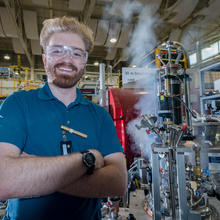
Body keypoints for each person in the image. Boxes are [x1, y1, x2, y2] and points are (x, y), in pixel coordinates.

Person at [0, 16, 127, 220]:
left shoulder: (100, 116)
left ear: (84, 62)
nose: (67, 59)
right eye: (57, 50)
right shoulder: (18, 104)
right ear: (44, 58)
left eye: (77, 53)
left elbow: (117, 182)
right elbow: (3, 180)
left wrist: (32, 171)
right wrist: (87, 160)